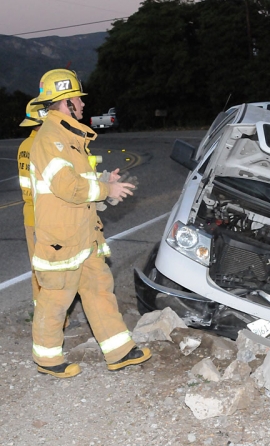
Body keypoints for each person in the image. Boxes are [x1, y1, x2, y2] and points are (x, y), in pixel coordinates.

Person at [29, 68, 151, 378]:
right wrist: (107, 190)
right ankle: (47, 358)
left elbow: (79, 183)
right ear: (65, 103)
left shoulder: (69, 138)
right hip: (62, 239)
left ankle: (120, 352)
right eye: (77, 100)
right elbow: (66, 187)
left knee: (99, 288)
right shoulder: (50, 138)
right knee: (56, 297)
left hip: (83, 235)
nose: (83, 105)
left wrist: (103, 182)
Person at [17, 99, 48, 304]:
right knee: (49, 271)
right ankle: (53, 321)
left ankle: (40, 315)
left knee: (37, 268)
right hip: (45, 217)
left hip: (30, 215)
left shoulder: (24, 145)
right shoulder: (44, 145)